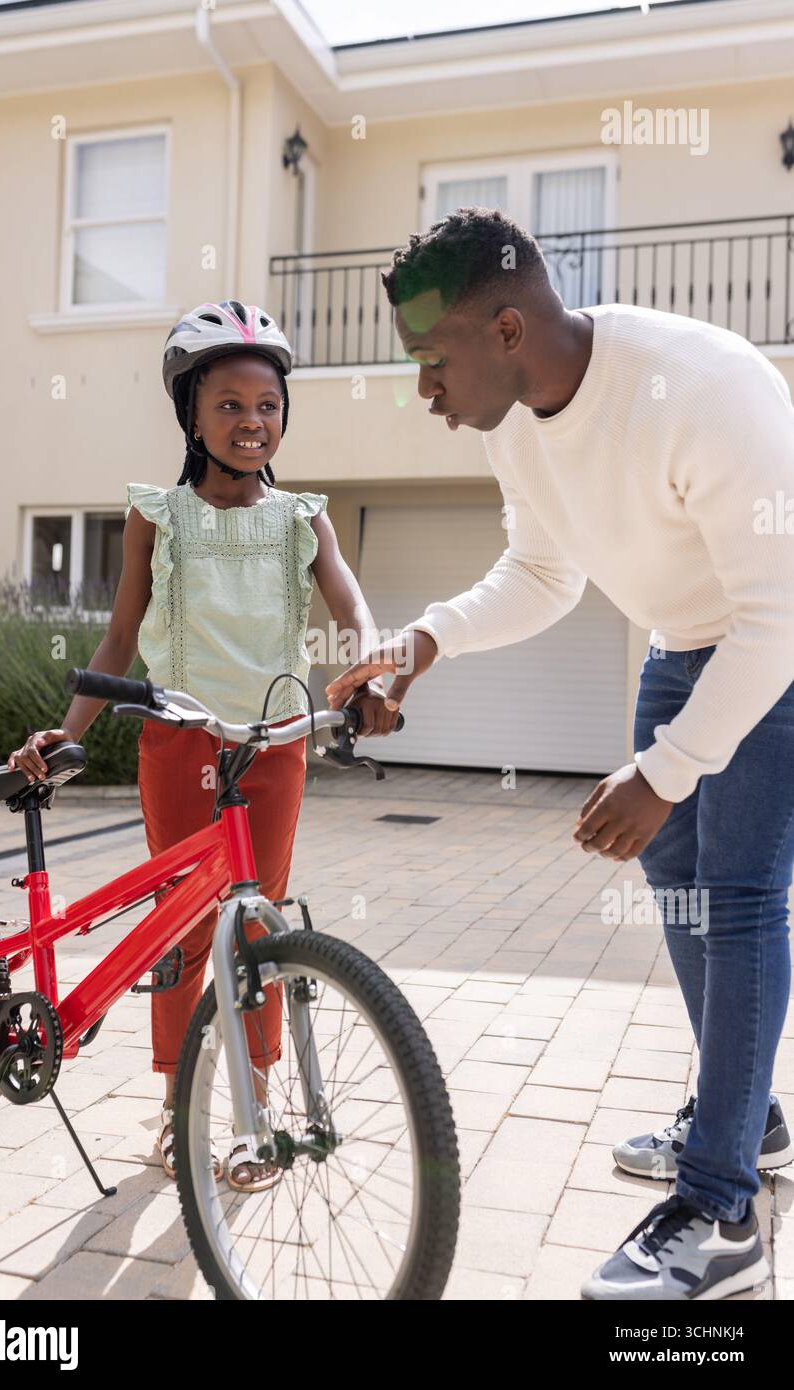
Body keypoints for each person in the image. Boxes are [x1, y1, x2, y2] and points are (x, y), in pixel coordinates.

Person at [325, 208, 794, 1300]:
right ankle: (749, 1111)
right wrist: (423, 638)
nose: (423, 391)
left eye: (430, 361)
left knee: (739, 896)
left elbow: (779, 619)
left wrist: (667, 768)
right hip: (681, 648)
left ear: (502, 331)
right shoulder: (513, 423)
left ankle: (722, 1205)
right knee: (675, 886)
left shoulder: (704, 387)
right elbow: (543, 573)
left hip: (774, 651)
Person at [7, 300, 399, 1191]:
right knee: (181, 932)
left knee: (258, 926)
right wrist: (66, 737)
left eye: (267, 405)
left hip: (274, 745)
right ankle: (178, 1109)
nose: (251, 421)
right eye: (229, 405)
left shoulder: (305, 517)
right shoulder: (160, 516)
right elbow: (116, 642)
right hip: (177, 742)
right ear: (192, 414)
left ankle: (253, 1107)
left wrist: (367, 674)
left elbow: (350, 605)